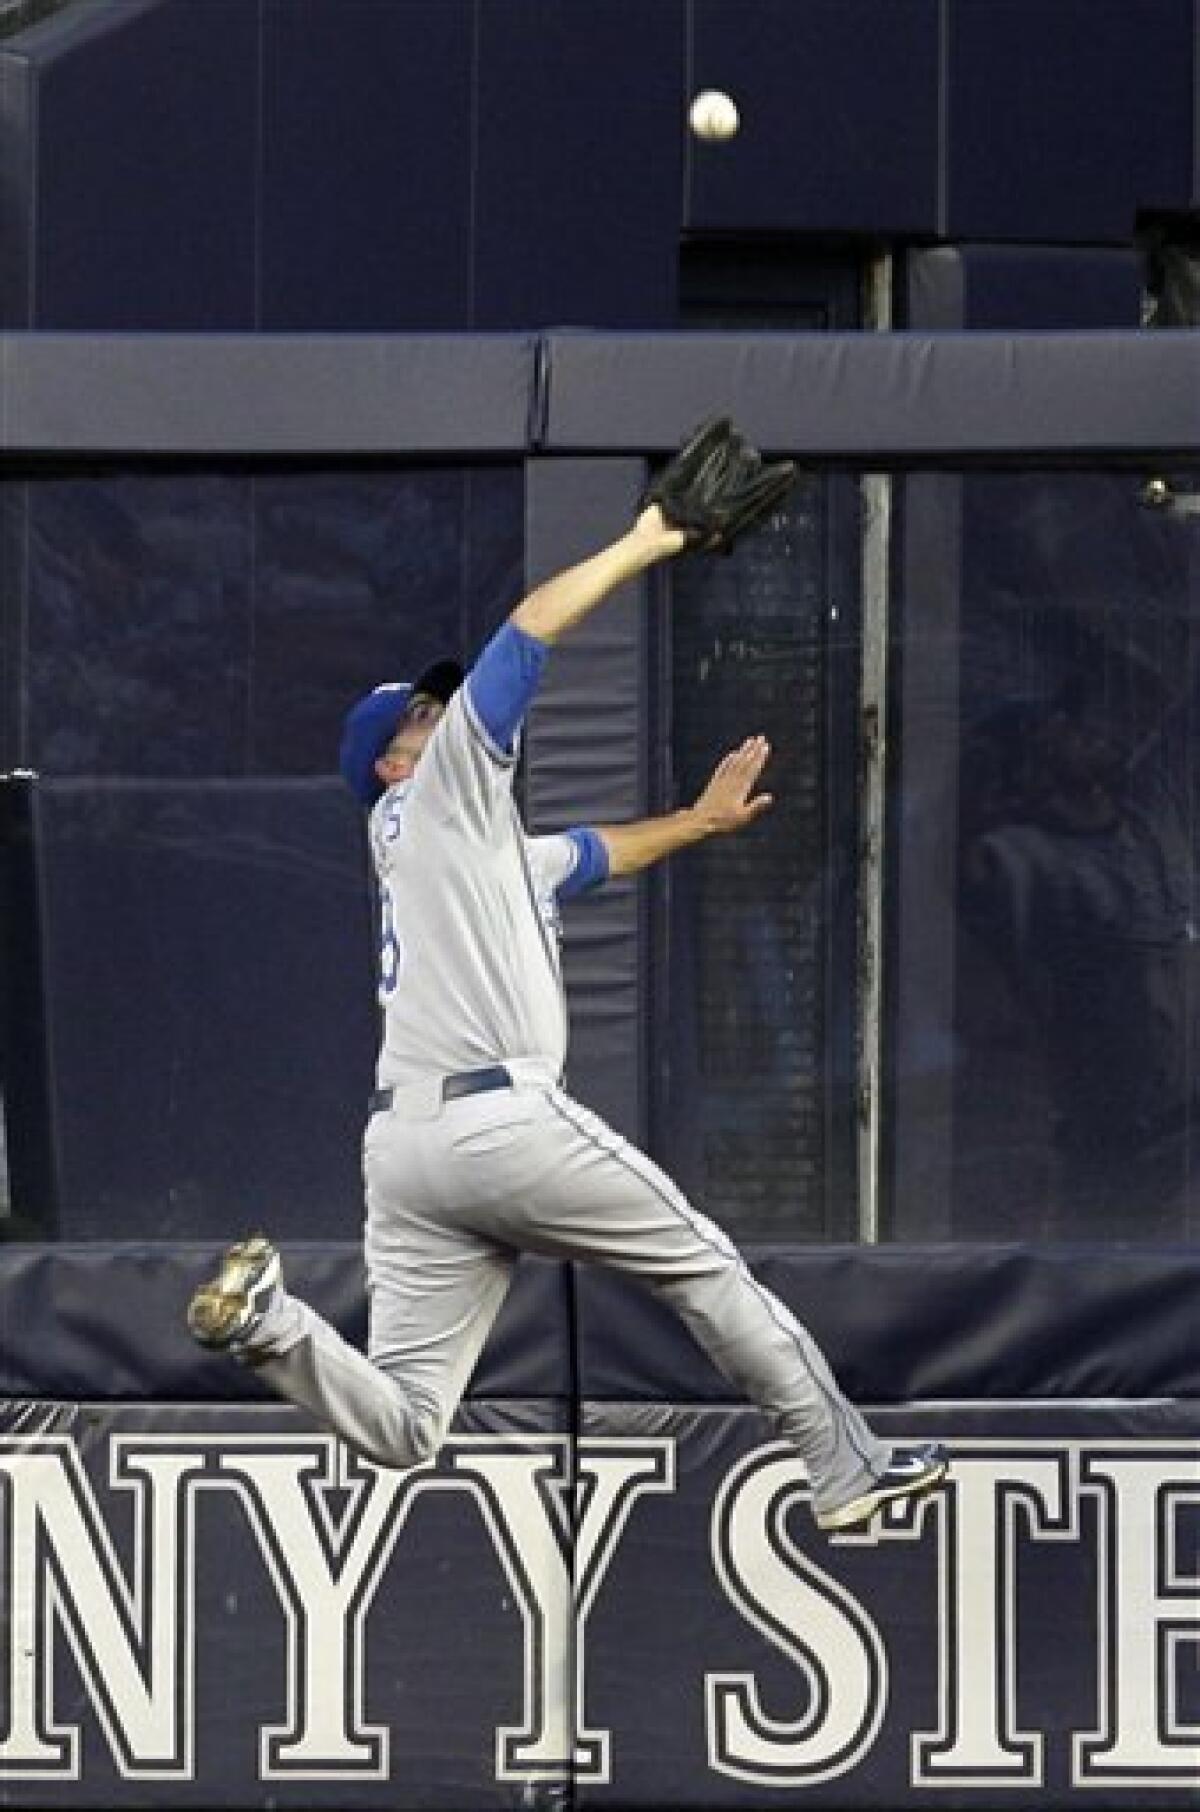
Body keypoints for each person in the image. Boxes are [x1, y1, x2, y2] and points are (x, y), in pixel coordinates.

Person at [188, 474, 948, 1535]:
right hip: (500, 1121)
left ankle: (269, 1326)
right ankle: (841, 1464)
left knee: (409, 1423)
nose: (444, 711)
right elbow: (526, 635)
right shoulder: (438, 787)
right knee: (704, 1265)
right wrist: (647, 539)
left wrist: (696, 821)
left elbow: (587, 857)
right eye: (424, 712)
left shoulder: (459, 849)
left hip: (405, 1154)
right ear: (396, 757)